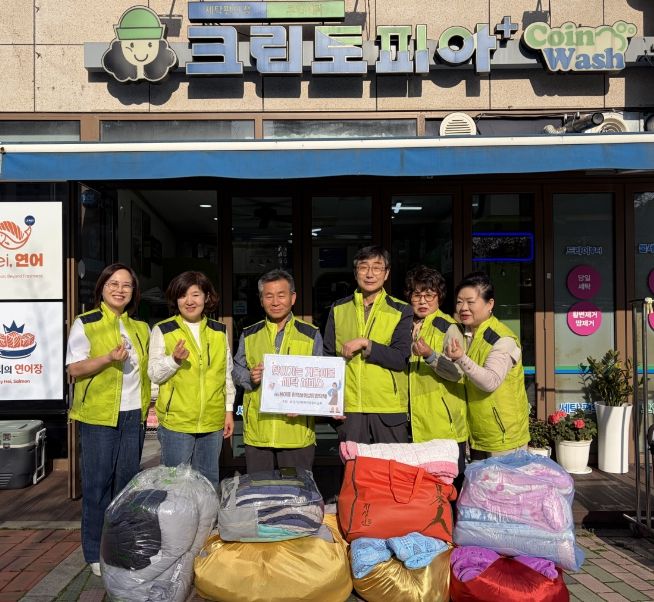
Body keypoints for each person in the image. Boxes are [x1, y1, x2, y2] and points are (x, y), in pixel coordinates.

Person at [67, 263, 151, 577]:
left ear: (133, 292)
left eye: (126, 285)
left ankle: (120, 548)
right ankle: (93, 552)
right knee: (97, 486)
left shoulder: (141, 328)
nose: (120, 290)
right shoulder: (86, 322)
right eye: (113, 283)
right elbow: (74, 369)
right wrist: (107, 358)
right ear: (102, 287)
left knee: (126, 487)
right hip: (98, 415)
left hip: (133, 414)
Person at [148, 271, 234, 488]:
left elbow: (226, 374)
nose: (189, 301)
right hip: (177, 422)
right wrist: (174, 360)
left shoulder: (219, 331)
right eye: (182, 295)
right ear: (175, 299)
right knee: (175, 484)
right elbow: (154, 374)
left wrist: (228, 411)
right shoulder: (164, 329)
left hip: (212, 420)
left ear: (207, 297)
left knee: (207, 482)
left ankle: (207, 513)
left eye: (195, 294)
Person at [233, 269, 322, 473]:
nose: (275, 302)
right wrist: (249, 377)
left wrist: (305, 405)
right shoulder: (249, 334)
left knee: (296, 490)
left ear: (293, 298)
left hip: (296, 433)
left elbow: (321, 381)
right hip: (258, 432)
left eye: (281, 295)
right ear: (261, 300)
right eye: (269, 296)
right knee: (261, 488)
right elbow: (236, 368)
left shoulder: (310, 334)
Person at [323, 245, 413, 444]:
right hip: (350, 408)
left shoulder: (401, 310)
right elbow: (327, 358)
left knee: (392, 463)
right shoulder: (338, 308)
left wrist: (367, 344)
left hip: (388, 407)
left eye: (377, 268)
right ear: (356, 273)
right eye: (364, 267)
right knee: (353, 463)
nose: (370, 274)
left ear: (386, 273)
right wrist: (332, 403)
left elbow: (400, 358)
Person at [444, 271, 530, 459]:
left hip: (504, 437)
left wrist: (461, 358)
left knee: (505, 479)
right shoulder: (467, 334)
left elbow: (490, 381)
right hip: (478, 433)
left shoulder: (503, 339)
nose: (463, 308)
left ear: (490, 304)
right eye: (459, 302)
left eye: (470, 302)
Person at [405, 265, 467, 485]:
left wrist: (430, 356)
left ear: (439, 297)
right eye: (417, 295)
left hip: (443, 424)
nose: (423, 301)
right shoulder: (403, 325)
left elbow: (459, 373)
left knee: (449, 486)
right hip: (412, 424)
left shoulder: (449, 327)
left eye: (429, 295)